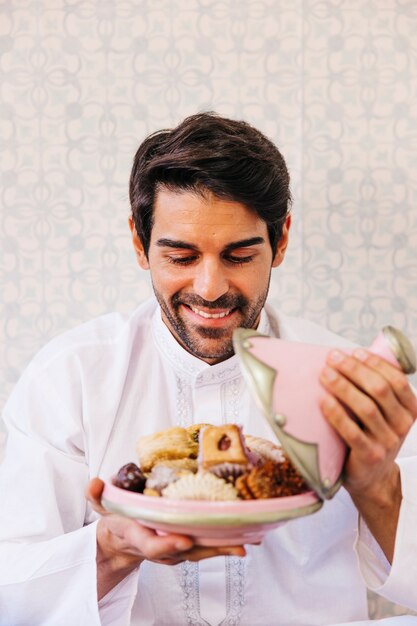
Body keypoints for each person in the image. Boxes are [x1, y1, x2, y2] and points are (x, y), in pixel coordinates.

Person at [0, 112, 416, 626]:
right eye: (180, 256)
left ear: (281, 240)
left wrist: (377, 485)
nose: (211, 287)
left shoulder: (348, 379)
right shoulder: (71, 378)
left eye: (239, 255)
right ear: (139, 244)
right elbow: (11, 592)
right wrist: (112, 548)